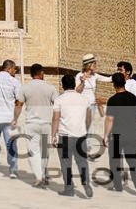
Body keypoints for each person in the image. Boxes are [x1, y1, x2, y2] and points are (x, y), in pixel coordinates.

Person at [54, 69, 95, 197]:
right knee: (82, 161)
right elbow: (89, 117)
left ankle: (69, 188)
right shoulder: (83, 99)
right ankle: (86, 183)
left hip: (65, 136)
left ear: (63, 85)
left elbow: (56, 118)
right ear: (73, 84)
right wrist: (85, 129)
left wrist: (53, 135)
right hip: (80, 135)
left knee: (66, 163)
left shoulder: (59, 100)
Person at [104, 71, 136, 195]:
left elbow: (110, 119)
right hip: (132, 132)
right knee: (132, 160)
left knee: (115, 160)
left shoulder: (113, 100)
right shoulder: (133, 99)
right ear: (125, 82)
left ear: (114, 84)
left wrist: (105, 135)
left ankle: (118, 186)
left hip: (117, 134)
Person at [21, 63, 58, 188]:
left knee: (33, 151)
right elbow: (57, 104)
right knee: (44, 151)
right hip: (46, 123)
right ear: (41, 73)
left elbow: (18, 104)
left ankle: (39, 176)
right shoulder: (50, 88)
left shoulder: (25, 88)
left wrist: (15, 118)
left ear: (31, 74)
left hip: (31, 123)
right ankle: (43, 173)